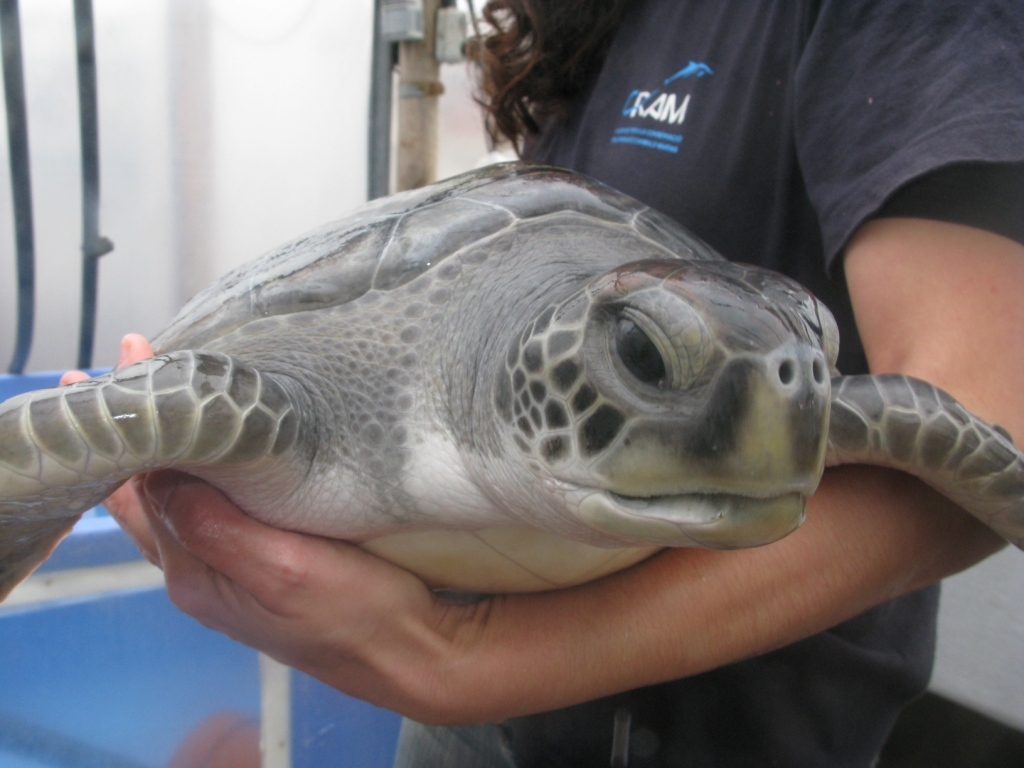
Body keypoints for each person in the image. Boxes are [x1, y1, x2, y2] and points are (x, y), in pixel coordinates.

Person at [77, 1, 1023, 765]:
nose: (790, 402)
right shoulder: (590, 33)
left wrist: (469, 658)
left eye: (806, 372)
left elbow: (991, 415)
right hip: (465, 713)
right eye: (647, 363)